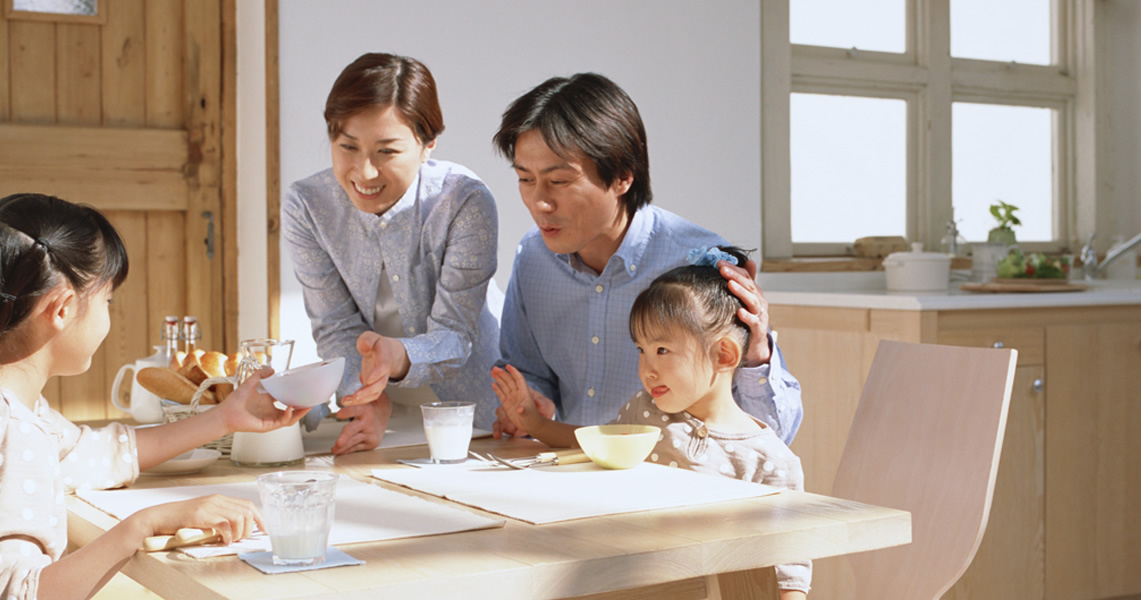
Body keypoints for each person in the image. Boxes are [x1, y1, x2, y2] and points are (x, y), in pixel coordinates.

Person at [0, 193, 309, 600]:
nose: (108, 315)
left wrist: (225, 418)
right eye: (108, 300)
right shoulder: (9, 430)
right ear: (62, 309)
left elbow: (94, 454)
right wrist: (143, 526)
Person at [489, 73, 802, 444]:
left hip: (676, 485)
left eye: (558, 181)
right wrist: (532, 402)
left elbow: (774, 437)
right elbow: (530, 370)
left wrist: (756, 357)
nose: (539, 202)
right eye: (525, 179)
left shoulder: (697, 267)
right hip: (572, 474)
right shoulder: (533, 257)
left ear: (622, 177)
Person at [494, 245, 810, 599]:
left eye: (662, 350)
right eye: (640, 350)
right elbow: (591, 440)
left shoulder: (772, 462)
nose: (647, 369)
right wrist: (534, 422)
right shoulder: (645, 413)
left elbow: (788, 575)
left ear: (724, 354)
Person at [283, 52, 501, 454]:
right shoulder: (308, 205)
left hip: (470, 417)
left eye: (387, 152)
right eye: (347, 146)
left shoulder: (463, 200)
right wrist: (366, 394)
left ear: (428, 144)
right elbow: (335, 326)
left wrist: (395, 358)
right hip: (374, 417)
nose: (364, 172)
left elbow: (456, 334)